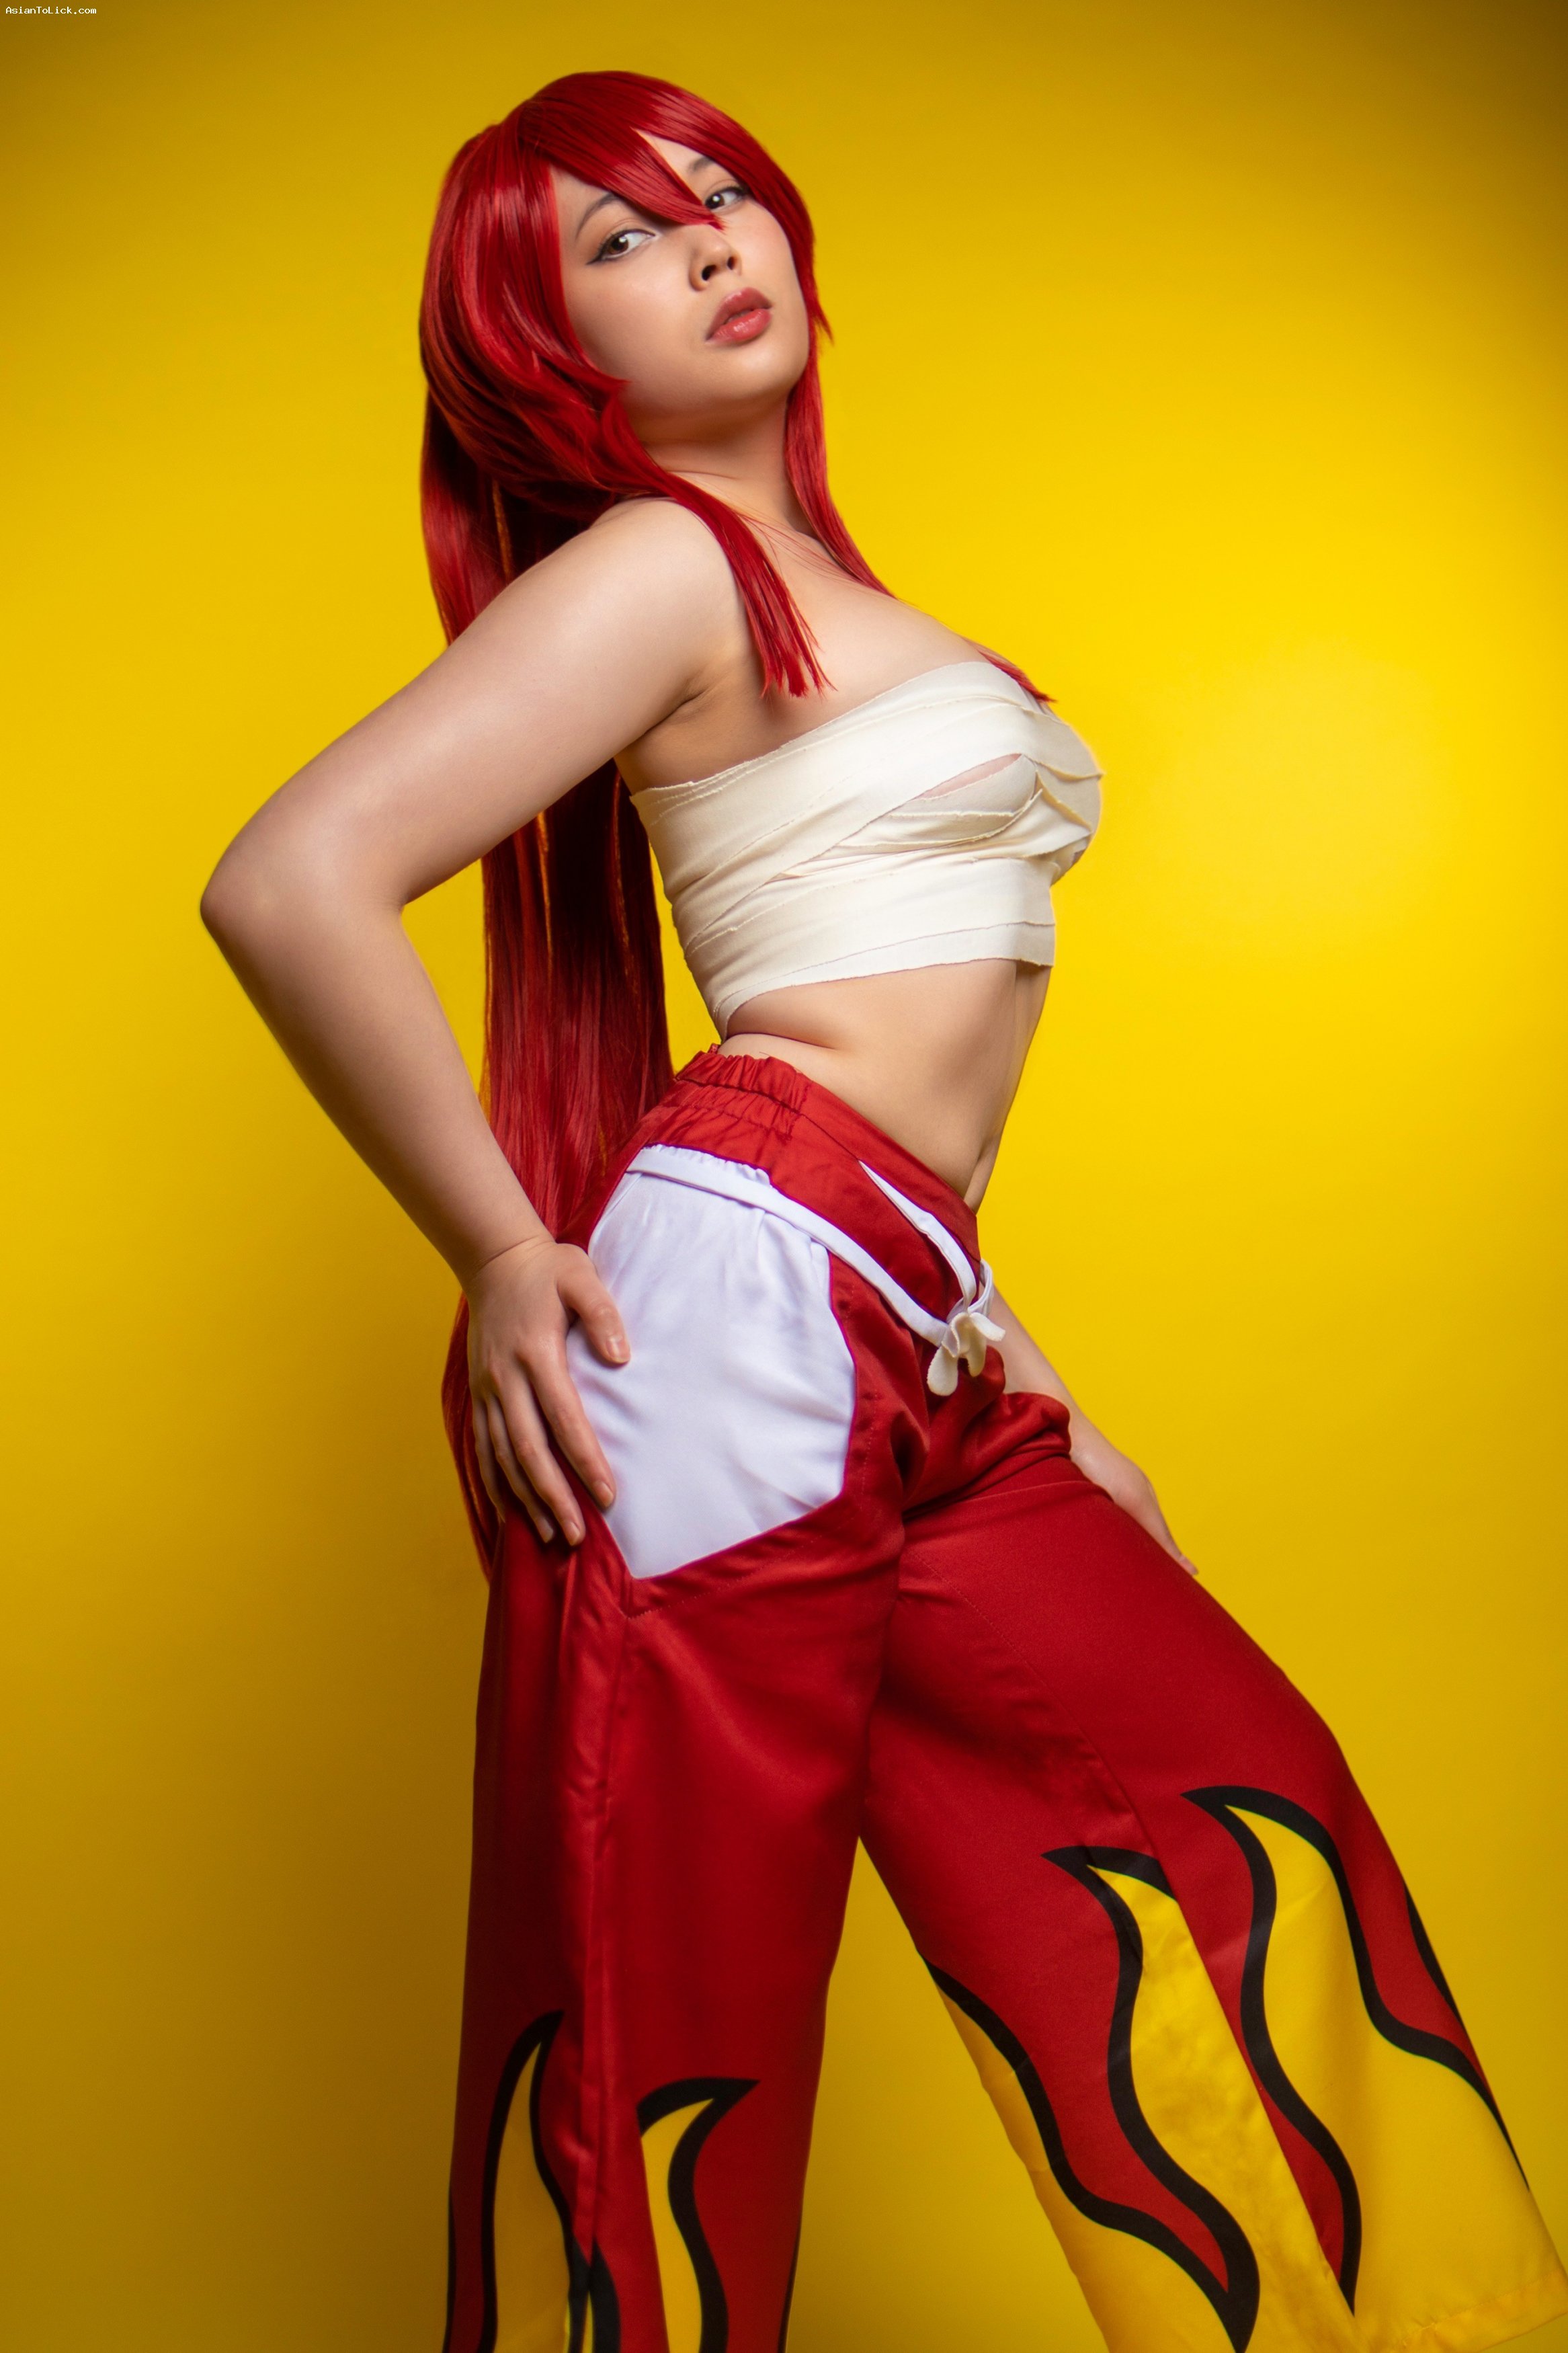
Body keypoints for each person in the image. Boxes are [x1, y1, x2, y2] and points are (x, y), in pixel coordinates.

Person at [202, 69, 1565, 2353]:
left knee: (1219, 1825)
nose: (707, 239)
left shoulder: (814, 586)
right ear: (545, 348)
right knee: (669, 2004)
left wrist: (1032, 1384)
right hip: (742, 1314)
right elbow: (290, 878)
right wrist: (502, 1246)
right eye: (621, 238)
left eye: (721, 191)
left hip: (895, 1309)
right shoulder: (661, 566)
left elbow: (905, 1093)